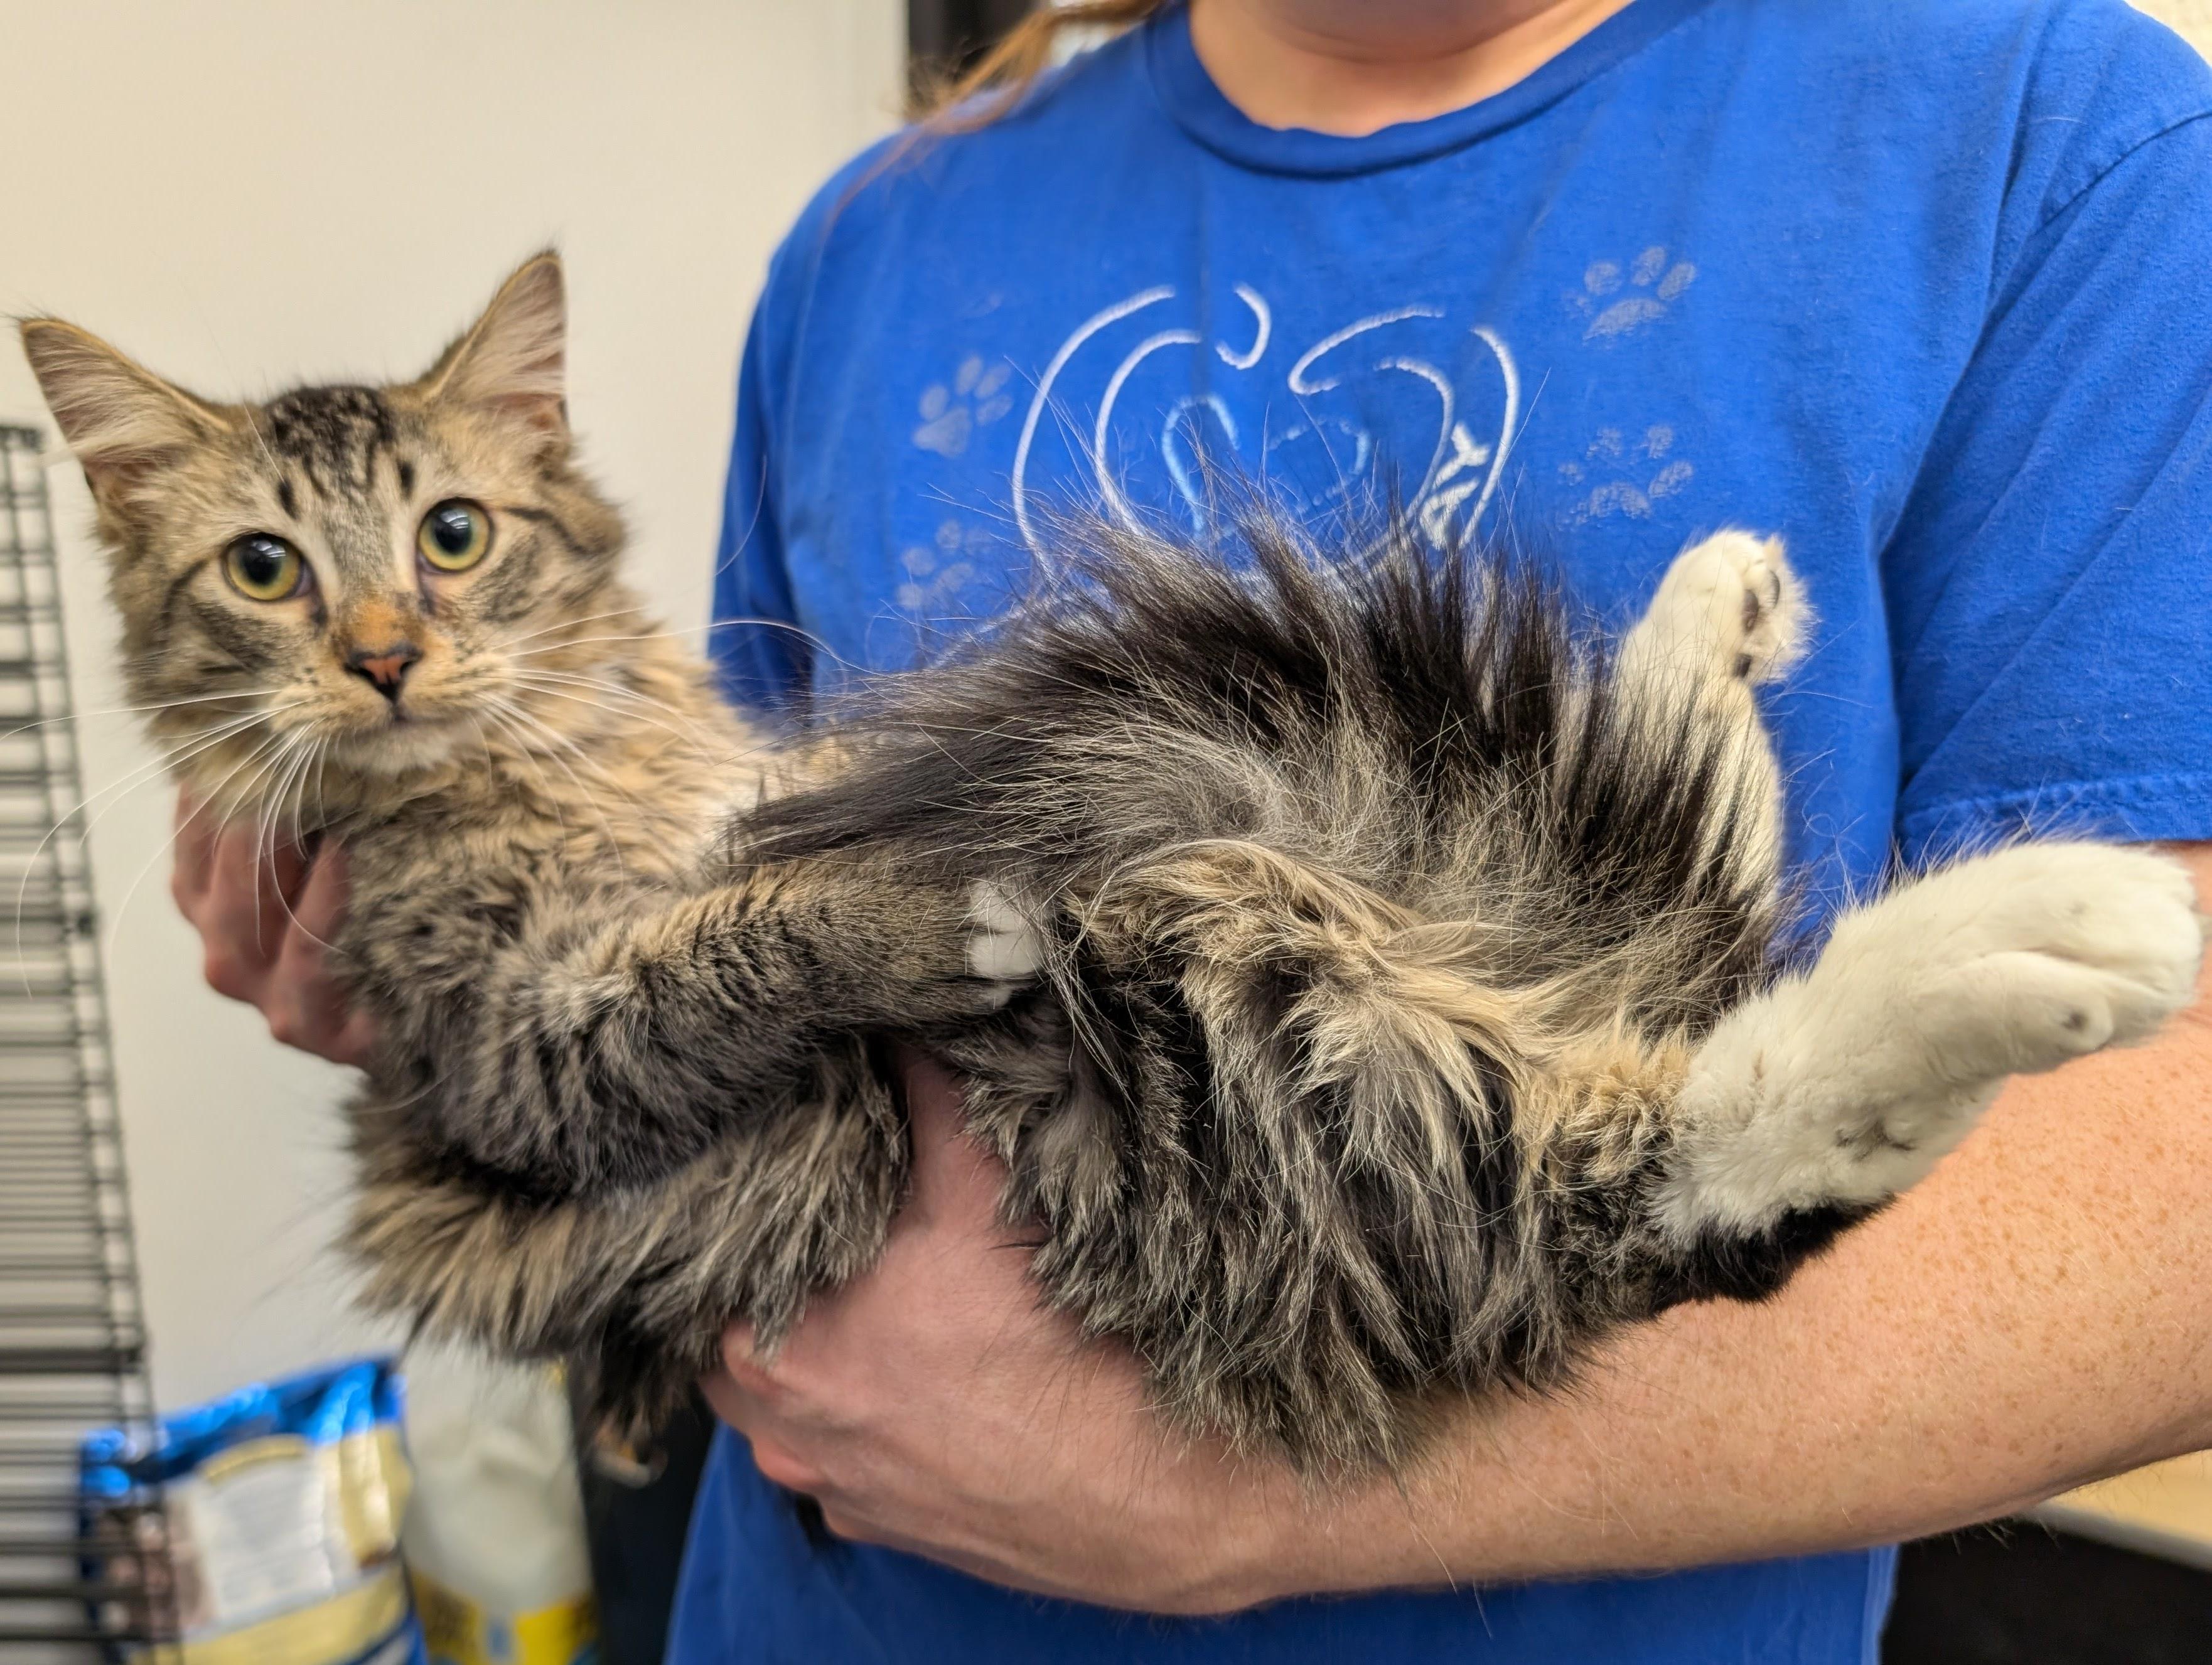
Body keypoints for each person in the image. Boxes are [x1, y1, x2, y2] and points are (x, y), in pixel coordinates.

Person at [175, 0, 2212, 1657]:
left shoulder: (2053, 133)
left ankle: (1672, 1125)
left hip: (1440, 1296)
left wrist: (1266, 1477)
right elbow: (739, 996)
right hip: (806, 1600)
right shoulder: (876, 236)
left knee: (1224, 888)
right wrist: (437, 979)